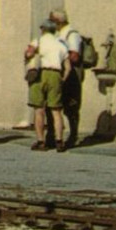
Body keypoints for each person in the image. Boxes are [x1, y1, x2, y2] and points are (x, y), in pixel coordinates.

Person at [24, 19, 69, 151]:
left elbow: (28, 54)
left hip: (40, 74)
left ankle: (40, 141)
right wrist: (62, 79)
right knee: (56, 111)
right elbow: (68, 67)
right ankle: (60, 141)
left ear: (43, 29)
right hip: (55, 74)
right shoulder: (61, 45)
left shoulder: (38, 41)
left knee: (39, 110)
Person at [51, 9, 84, 150]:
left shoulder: (72, 34)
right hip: (60, 72)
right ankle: (54, 136)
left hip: (71, 74)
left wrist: (61, 57)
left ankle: (73, 135)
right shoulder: (58, 34)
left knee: (71, 105)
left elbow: (75, 55)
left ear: (58, 22)